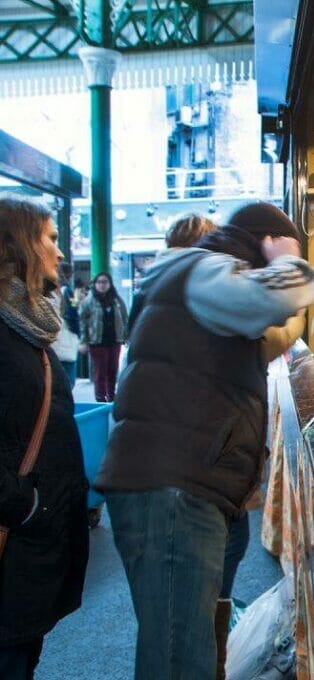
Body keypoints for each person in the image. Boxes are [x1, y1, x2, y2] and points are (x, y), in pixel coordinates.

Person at [95, 202, 314, 680]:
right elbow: (285, 294)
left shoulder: (194, 277)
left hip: (177, 482)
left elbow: (273, 335)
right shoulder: (204, 270)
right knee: (179, 657)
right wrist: (288, 256)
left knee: (180, 643)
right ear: (262, 242)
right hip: (175, 487)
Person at [160, 209, 306, 677]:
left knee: (210, 581)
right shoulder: (205, 289)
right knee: (190, 610)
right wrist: (293, 277)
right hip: (195, 472)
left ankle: (213, 648)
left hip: (204, 468)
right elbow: (273, 332)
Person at [0, 197, 89, 679]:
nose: (59, 252)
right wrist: (26, 506)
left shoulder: (30, 324)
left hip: (32, 544)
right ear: (16, 245)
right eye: (50, 238)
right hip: (17, 534)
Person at [77, 272, 128, 402]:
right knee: (100, 371)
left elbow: (124, 317)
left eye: (105, 282)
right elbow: (83, 322)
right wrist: (83, 341)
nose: (102, 285)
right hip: (97, 341)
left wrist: (126, 336)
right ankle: (100, 398)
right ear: (95, 284)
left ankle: (111, 396)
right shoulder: (89, 301)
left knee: (113, 370)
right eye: (99, 282)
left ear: (110, 284)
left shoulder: (116, 299)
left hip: (115, 340)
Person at [55, 262, 81, 387]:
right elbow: (72, 314)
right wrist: (78, 332)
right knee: (68, 381)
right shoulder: (66, 290)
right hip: (65, 340)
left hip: (54, 340)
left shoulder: (51, 289)